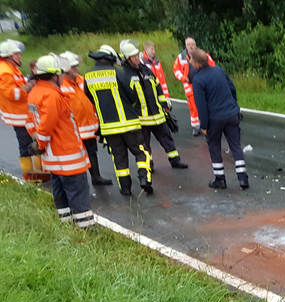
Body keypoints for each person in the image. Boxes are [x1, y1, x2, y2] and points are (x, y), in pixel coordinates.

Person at [28, 53, 95, 228]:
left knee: (61, 193)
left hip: (53, 158)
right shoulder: (52, 96)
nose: (64, 76)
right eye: (62, 74)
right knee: (78, 192)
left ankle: (66, 225)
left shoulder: (35, 93)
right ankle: (86, 228)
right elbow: (47, 125)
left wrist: (39, 144)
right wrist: (40, 143)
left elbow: (32, 123)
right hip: (68, 157)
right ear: (54, 74)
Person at [84, 45, 153, 196]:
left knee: (119, 158)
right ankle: (144, 179)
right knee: (141, 152)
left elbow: (89, 98)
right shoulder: (118, 73)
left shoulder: (88, 76)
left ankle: (125, 188)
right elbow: (132, 95)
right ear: (110, 59)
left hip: (108, 128)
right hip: (129, 124)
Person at [119, 40, 187, 169]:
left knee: (167, 138)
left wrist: (163, 104)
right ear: (128, 59)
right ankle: (148, 165)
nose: (137, 58)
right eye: (133, 56)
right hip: (142, 118)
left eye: (136, 55)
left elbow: (158, 88)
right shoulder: (125, 75)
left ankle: (175, 160)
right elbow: (127, 98)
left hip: (158, 115)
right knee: (144, 144)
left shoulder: (146, 70)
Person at [190, 48, 248, 190]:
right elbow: (232, 88)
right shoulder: (219, 70)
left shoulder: (198, 80)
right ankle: (243, 178)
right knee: (236, 146)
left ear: (197, 64)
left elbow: (201, 105)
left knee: (214, 147)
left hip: (215, 119)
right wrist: (234, 107)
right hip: (231, 114)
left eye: (192, 60)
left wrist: (203, 125)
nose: (190, 63)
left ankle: (220, 179)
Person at [59, 51, 112, 186]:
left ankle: (96, 177)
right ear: (65, 69)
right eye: (73, 67)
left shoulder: (83, 80)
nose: (76, 68)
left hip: (89, 125)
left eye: (76, 66)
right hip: (74, 128)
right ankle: (80, 181)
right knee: (77, 156)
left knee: (92, 152)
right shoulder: (61, 85)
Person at [0, 39, 48, 181]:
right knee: (26, 145)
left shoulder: (11, 68)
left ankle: (39, 173)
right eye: (17, 54)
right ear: (9, 56)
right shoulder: (5, 71)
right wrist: (31, 85)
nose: (20, 56)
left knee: (32, 142)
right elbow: (12, 94)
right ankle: (30, 176)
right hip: (18, 115)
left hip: (24, 113)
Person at [173, 37, 215, 136]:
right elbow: (176, 70)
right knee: (193, 107)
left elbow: (212, 65)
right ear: (186, 46)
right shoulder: (181, 57)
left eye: (192, 44)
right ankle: (196, 127)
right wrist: (183, 77)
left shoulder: (202, 55)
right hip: (190, 86)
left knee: (206, 104)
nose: (191, 46)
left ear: (195, 45)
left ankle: (207, 124)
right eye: (189, 44)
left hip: (203, 84)